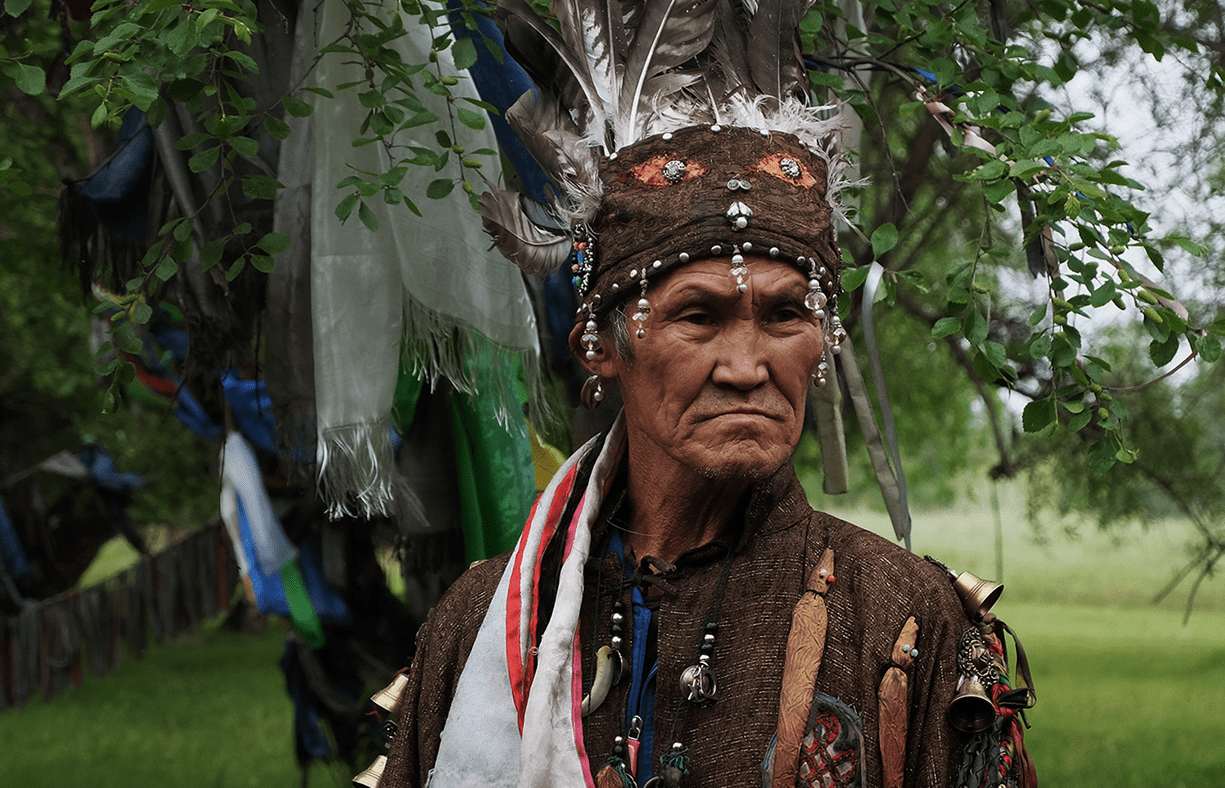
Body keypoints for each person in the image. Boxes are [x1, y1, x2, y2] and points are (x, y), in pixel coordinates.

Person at [367, 3, 1035, 787]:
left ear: (823, 340)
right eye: (698, 315)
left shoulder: (903, 620)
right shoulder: (484, 623)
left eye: (786, 314)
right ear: (600, 346)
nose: (747, 364)